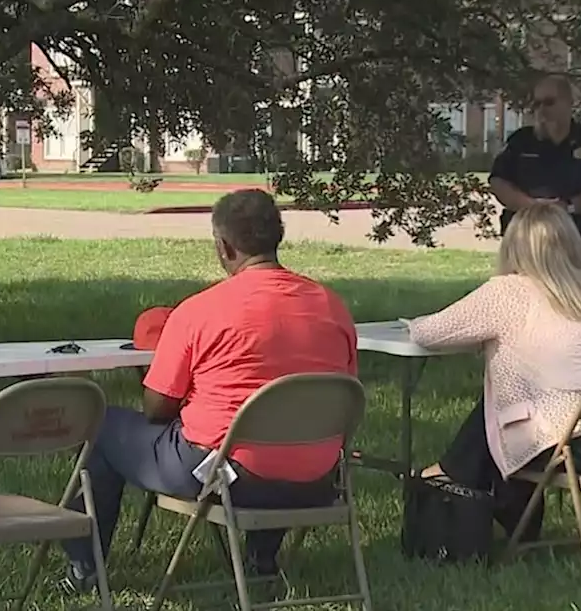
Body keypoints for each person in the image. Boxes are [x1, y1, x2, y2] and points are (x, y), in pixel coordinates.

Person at [60, 190, 358, 592]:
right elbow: (342, 395)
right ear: (277, 237)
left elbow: (157, 409)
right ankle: (261, 560)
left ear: (223, 246)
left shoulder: (200, 311)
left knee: (105, 426)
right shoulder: (332, 307)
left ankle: (84, 568)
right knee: (280, 443)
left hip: (227, 477)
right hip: (317, 478)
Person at [410, 202, 581, 541]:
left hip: (565, 444)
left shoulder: (508, 292)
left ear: (514, 246)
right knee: (511, 399)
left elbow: (428, 334)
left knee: (506, 409)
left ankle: (448, 484)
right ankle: (451, 475)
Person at [489, 74, 581, 270]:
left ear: (568, 103)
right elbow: (498, 181)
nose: (541, 110)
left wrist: (569, 207)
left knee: (577, 296)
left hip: (576, 236)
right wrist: (531, 206)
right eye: (537, 104)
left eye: (549, 102)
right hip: (526, 237)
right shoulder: (520, 141)